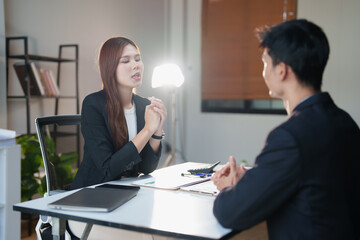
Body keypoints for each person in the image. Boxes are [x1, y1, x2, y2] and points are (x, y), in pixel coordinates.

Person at [211, 19, 360, 240]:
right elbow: (311, 184)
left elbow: (230, 212)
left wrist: (227, 188)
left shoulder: (289, 136)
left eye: (264, 63)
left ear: (282, 71)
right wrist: (251, 183)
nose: (263, 72)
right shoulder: (345, 121)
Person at [69, 36, 169, 240]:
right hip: (90, 203)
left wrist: (157, 130)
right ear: (110, 68)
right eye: (126, 61)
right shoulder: (93, 104)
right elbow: (107, 170)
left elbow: (146, 168)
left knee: (167, 231)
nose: (135, 66)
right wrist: (146, 131)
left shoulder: (142, 105)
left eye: (138, 59)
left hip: (127, 197)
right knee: (145, 237)